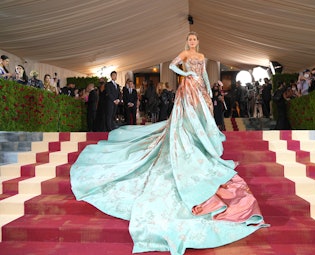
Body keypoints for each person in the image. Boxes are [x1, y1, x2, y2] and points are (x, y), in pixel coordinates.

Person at [70, 31, 267, 255]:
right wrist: (186, 73)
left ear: (198, 41)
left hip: (199, 89)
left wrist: (207, 92)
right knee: (184, 121)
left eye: (194, 40)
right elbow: (174, 67)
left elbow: (203, 75)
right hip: (187, 89)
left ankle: (197, 145)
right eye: (190, 40)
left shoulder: (202, 56)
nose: (192, 42)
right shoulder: (184, 53)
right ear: (187, 42)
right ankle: (184, 144)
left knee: (199, 121)